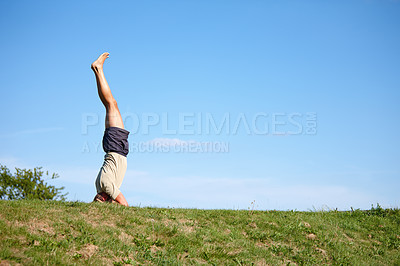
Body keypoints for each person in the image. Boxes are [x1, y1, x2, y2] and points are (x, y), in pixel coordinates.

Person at [91, 52, 129, 206]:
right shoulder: (100, 185)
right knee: (111, 104)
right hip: (114, 147)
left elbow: (124, 204)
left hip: (115, 147)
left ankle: (98, 69)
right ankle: (97, 70)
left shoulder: (106, 185)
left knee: (111, 104)